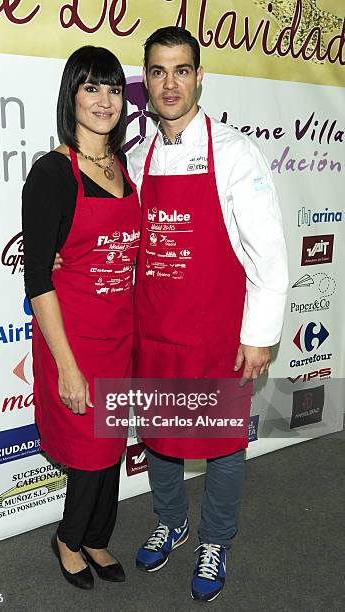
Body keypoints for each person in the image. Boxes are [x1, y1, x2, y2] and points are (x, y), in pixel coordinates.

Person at [127, 27, 289, 602]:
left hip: (219, 333)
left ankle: (215, 539)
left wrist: (260, 336)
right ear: (145, 83)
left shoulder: (237, 152)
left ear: (199, 77)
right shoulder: (136, 158)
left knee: (222, 447)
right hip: (156, 333)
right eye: (158, 72)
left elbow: (269, 251)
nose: (170, 83)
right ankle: (172, 522)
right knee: (161, 440)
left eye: (181, 70)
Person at [22, 46, 141, 590]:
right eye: (92, 87)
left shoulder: (124, 169)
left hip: (121, 335)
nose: (104, 100)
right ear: (71, 95)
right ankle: (69, 539)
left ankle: (98, 536)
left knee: (111, 446)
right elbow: (38, 279)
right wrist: (67, 367)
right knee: (91, 454)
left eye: (114, 89)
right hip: (72, 340)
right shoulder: (51, 173)